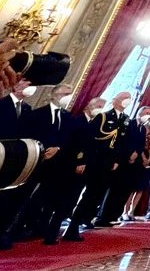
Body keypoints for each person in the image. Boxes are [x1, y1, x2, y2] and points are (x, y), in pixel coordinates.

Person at [64, 91, 131, 240]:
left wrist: (116, 160)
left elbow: (120, 143)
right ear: (116, 100)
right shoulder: (103, 117)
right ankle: (72, 226)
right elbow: (88, 139)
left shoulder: (126, 120)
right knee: (82, 194)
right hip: (94, 160)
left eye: (129, 99)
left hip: (108, 163)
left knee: (94, 196)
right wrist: (82, 160)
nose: (127, 101)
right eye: (125, 98)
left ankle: (83, 221)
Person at [16, 84, 75, 241]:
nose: (68, 96)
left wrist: (58, 148)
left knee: (45, 198)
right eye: (65, 93)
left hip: (56, 165)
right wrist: (43, 149)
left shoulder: (69, 117)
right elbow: (28, 135)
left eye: (70, 93)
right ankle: (15, 229)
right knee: (24, 194)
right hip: (36, 160)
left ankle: (35, 225)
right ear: (54, 94)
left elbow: (68, 138)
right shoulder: (37, 114)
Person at [49, 97, 103, 243]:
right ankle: (52, 233)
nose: (100, 109)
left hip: (86, 167)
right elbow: (75, 144)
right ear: (88, 106)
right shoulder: (78, 121)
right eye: (98, 105)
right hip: (73, 166)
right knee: (64, 200)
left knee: (72, 200)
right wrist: (80, 161)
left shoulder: (94, 124)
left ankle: (68, 231)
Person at [97, 105, 150, 226]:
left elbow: (141, 144)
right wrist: (130, 153)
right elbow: (122, 141)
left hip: (134, 164)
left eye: (149, 113)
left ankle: (113, 216)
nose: (148, 115)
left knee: (125, 191)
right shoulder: (129, 124)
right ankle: (102, 216)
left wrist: (136, 153)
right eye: (146, 112)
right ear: (139, 113)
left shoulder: (142, 129)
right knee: (114, 190)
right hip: (123, 161)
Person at [123, 115, 150, 221]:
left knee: (141, 188)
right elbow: (140, 146)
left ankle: (131, 211)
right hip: (139, 160)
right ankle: (125, 211)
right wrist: (144, 158)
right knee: (132, 188)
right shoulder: (142, 130)